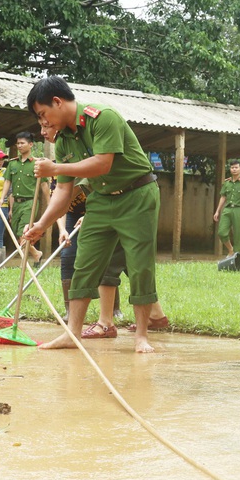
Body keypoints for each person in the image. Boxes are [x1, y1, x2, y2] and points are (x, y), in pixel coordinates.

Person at [23, 76, 161, 354]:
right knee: (84, 263)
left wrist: (55, 168)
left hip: (137, 195)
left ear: (58, 102)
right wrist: (42, 223)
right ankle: (72, 334)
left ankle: (142, 336)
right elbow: (64, 191)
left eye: (43, 114)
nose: (44, 123)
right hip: (100, 199)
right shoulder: (63, 141)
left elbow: (102, 163)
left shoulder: (102, 117)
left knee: (139, 265)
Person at [4, 131, 48, 264]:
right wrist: (2, 198)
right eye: (18, 143)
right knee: (18, 234)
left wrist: (50, 203)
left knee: (24, 233)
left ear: (30, 145)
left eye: (22, 143)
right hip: (16, 203)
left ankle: (25, 263)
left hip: (30, 203)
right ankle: (36, 254)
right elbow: (7, 182)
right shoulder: (12, 164)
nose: (19, 146)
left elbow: (44, 185)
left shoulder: (37, 164)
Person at [212, 160, 240, 256]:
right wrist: (217, 211)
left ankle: (237, 257)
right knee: (221, 232)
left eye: (236, 167)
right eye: (232, 167)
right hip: (227, 209)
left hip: (239, 210)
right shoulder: (227, 182)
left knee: (237, 235)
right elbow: (223, 197)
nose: (234, 169)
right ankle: (231, 250)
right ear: (230, 169)